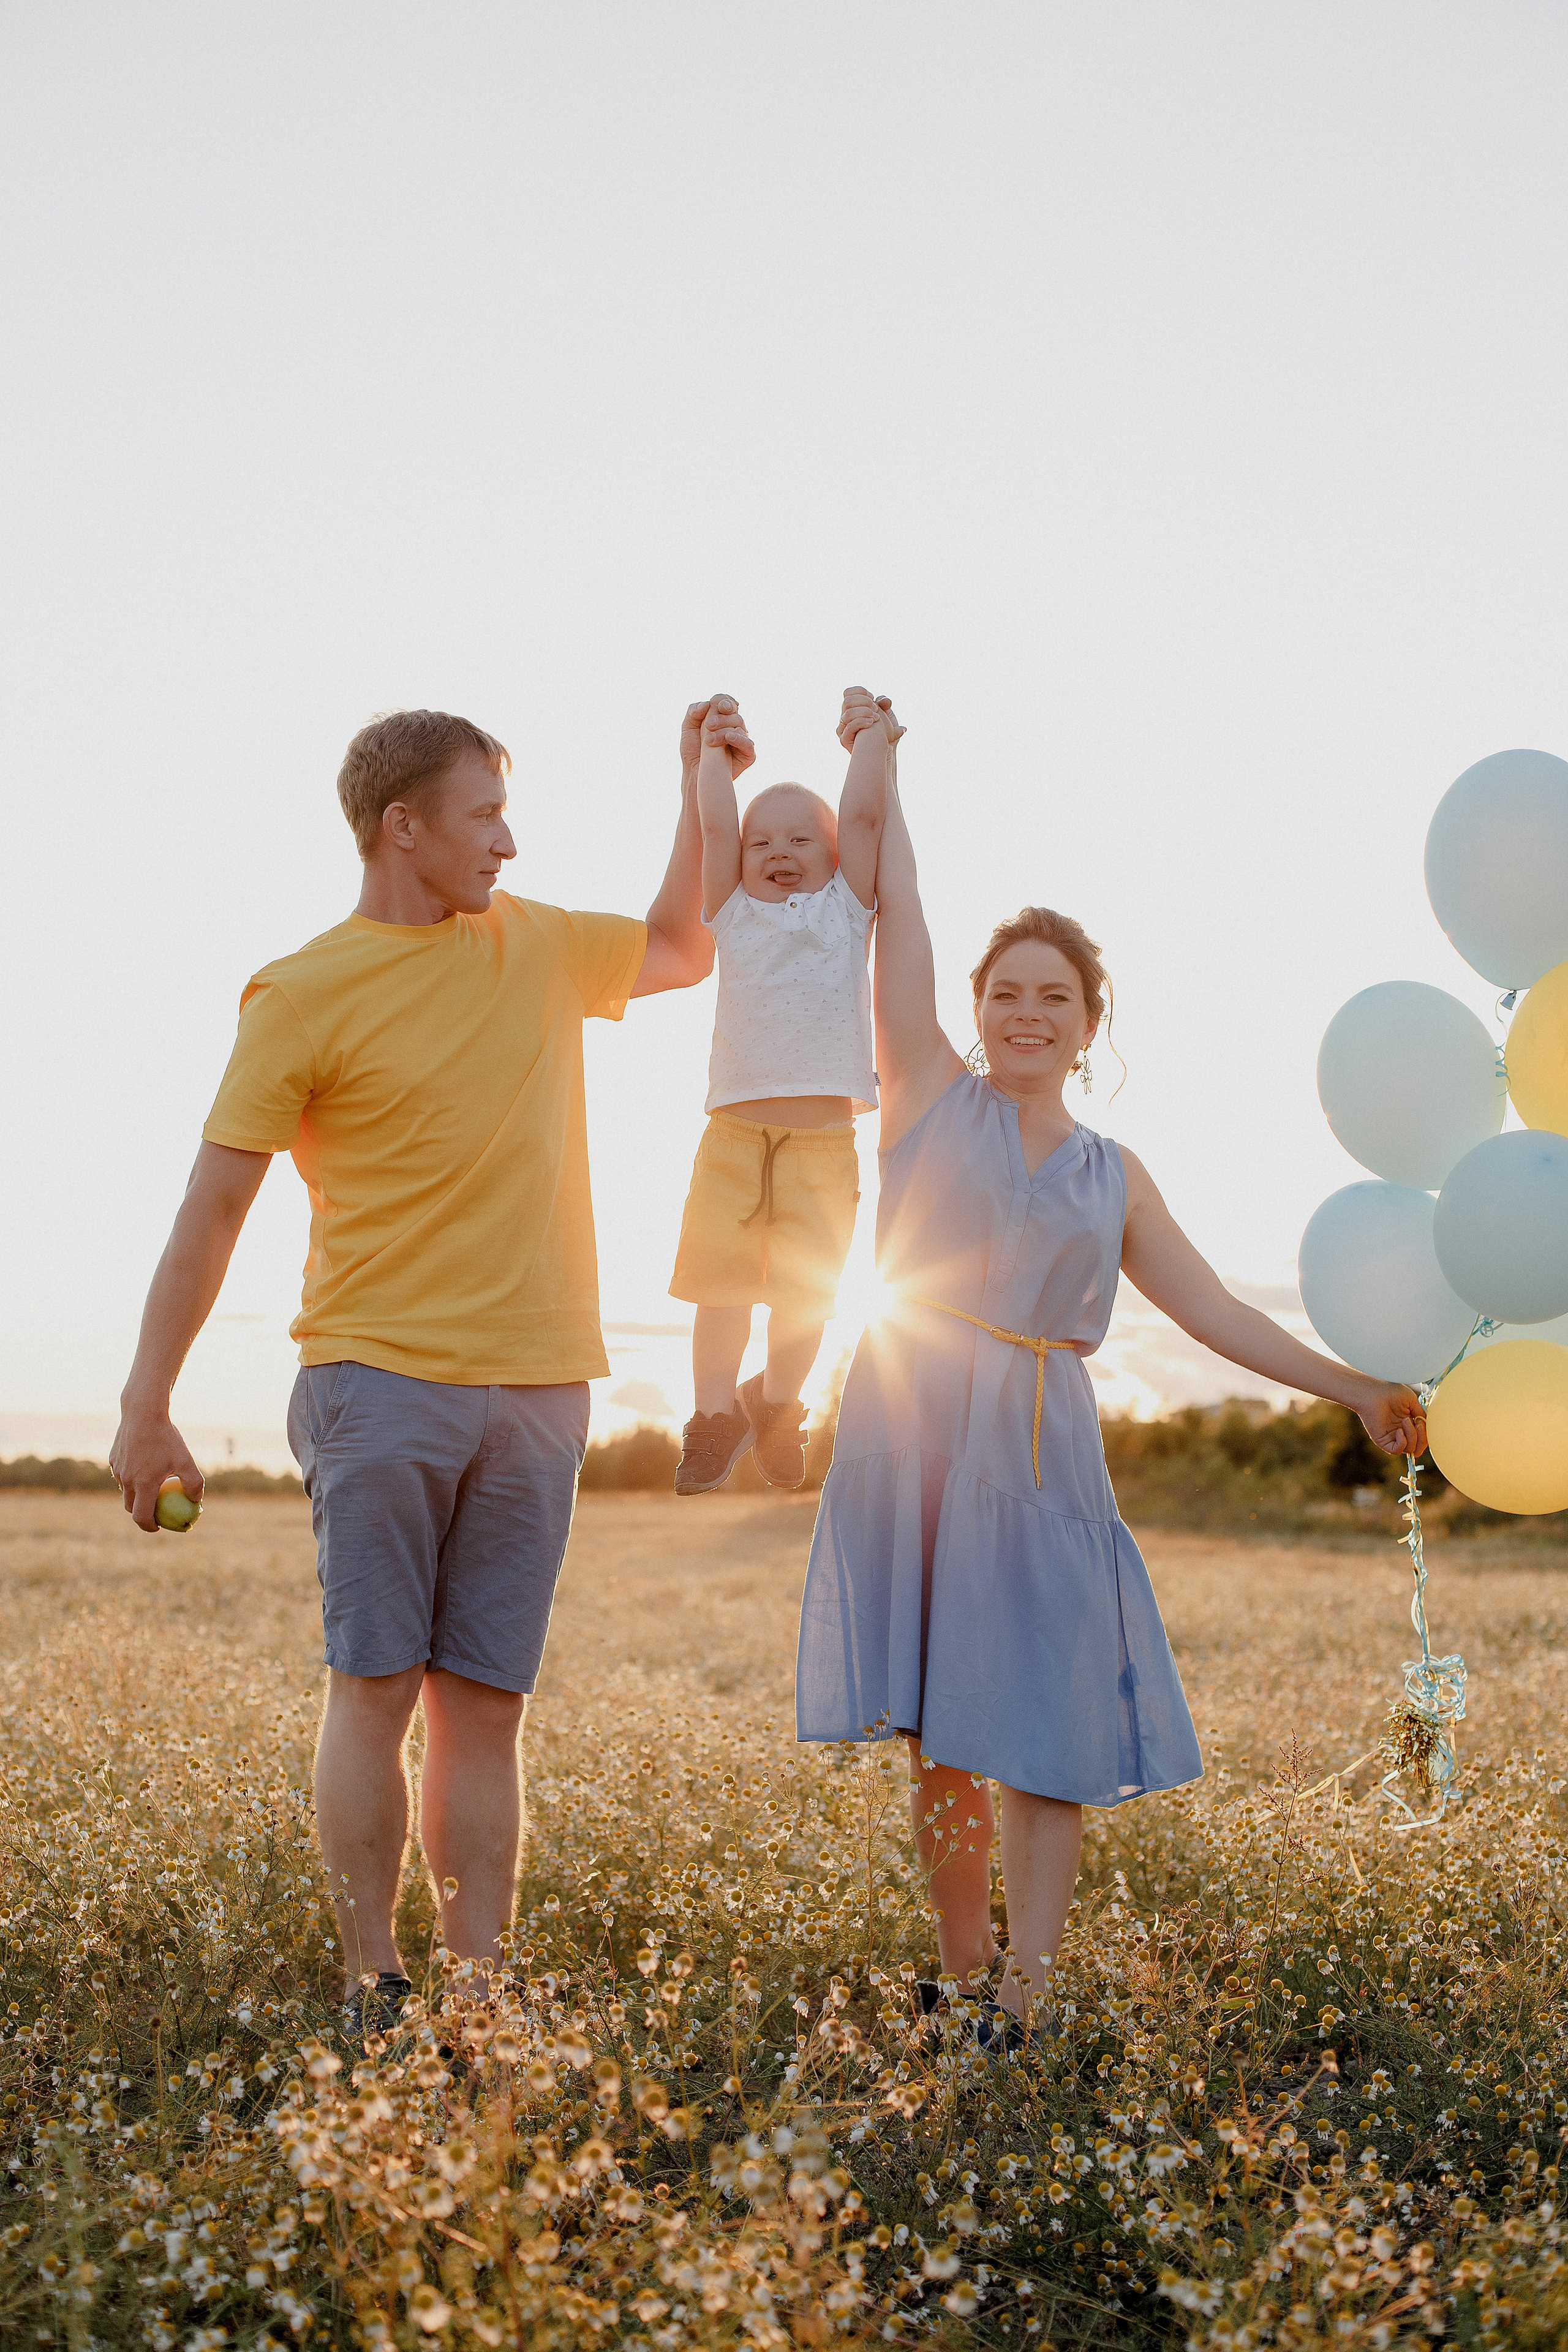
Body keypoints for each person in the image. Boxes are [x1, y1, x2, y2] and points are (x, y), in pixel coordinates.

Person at [794, 698, 1427, 2048]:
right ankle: (964, 1983)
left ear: (1089, 1026)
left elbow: (1203, 1309)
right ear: (972, 1011)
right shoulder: (919, 1093)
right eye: (1003, 994)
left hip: (1043, 1450)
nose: (1025, 1014)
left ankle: (1026, 1996)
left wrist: (1348, 1385)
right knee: (944, 1732)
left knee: (1051, 1723)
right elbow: (888, 895)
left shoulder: (1110, 1172)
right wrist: (878, 763)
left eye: (1053, 999)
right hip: (915, 1425)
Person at [110, 700, 729, 2032]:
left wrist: (699, 783)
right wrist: (145, 1402)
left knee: (487, 1707)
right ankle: (370, 1981)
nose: (506, 842)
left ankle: (478, 1987)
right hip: (376, 1381)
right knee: (377, 1688)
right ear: (405, 829)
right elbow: (210, 1210)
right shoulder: (302, 990)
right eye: (482, 815)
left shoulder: (542, 946)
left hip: (542, 1386)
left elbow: (685, 942)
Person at [668, 690, 894, 1493]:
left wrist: (870, 741)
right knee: (719, 1289)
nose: (778, 849)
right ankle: (711, 1415)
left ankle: (775, 1402)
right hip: (732, 1137)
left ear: (834, 858)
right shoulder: (729, 911)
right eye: (764, 840)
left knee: (806, 1299)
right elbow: (717, 827)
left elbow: (866, 820)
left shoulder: (847, 911)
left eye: (802, 837)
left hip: (823, 1146)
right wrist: (713, 764)